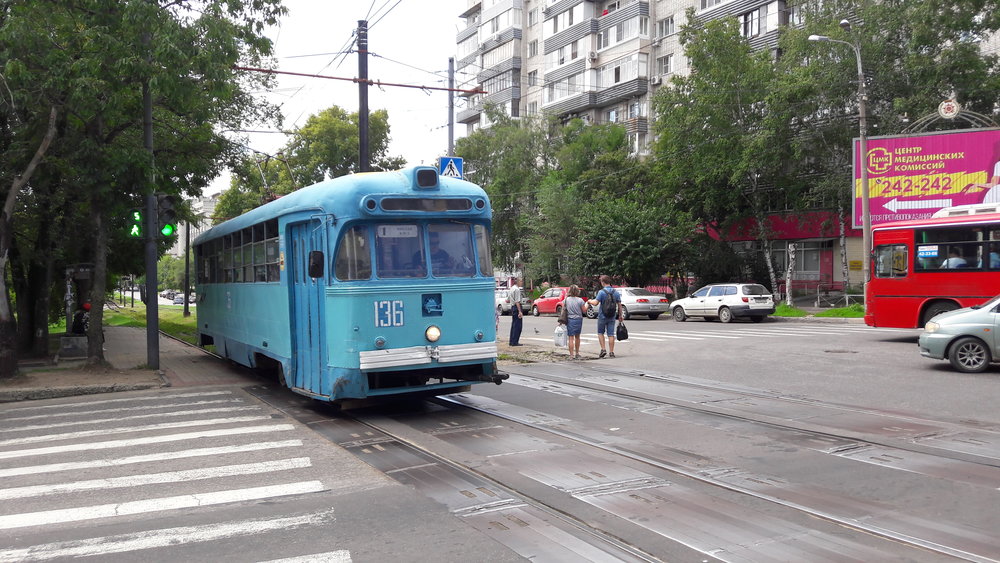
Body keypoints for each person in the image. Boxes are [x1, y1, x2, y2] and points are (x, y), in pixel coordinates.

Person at [589, 275, 621, 358]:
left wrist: (590, 301)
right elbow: (619, 305)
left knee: (600, 333)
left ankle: (603, 349)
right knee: (611, 334)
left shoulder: (601, 292)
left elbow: (595, 303)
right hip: (612, 316)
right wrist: (620, 316)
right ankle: (611, 352)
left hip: (602, 315)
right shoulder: (616, 292)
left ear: (602, 282)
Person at [562, 285, 587, 360]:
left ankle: (571, 355)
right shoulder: (580, 300)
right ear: (577, 291)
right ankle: (577, 353)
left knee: (570, 338)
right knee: (577, 337)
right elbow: (584, 310)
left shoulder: (566, 300)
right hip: (578, 319)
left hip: (570, 319)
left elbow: (563, 310)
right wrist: (588, 305)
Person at [508, 278, 524, 346]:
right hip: (516, 307)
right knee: (518, 326)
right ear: (517, 282)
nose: (522, 282)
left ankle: (511, 341)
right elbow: (517, 301)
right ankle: (515, 342)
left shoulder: (512, 288)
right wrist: (520, 311)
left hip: (513, 307)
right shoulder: (517, 289)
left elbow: (508, 299)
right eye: (521, 281)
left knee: (514, 325)